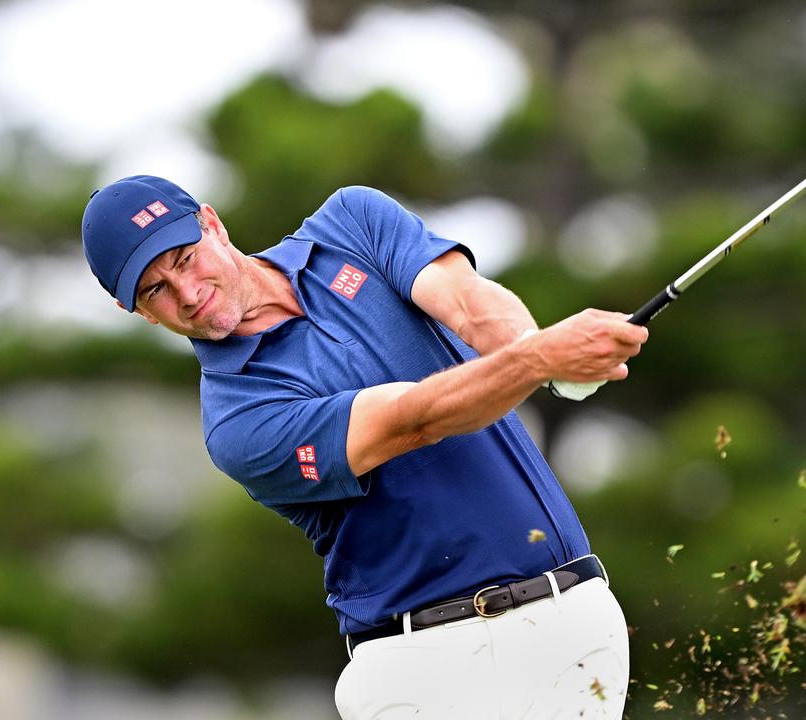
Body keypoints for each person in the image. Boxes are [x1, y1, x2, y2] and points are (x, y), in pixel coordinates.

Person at [81, 175, 649, 719]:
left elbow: (470, 304)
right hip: (424, 666)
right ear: (134, 312)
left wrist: (542, 349)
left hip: (570, 620)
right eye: (155, 289)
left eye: (184, 258)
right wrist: (540, 360)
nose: (186, 293)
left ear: (212, 224)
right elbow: (413, 420)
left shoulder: (352, 223)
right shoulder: (237, 419)